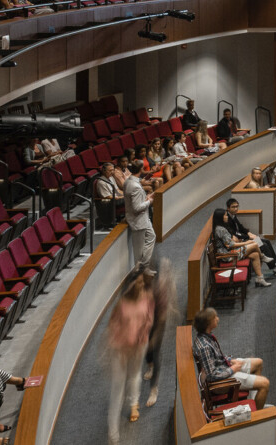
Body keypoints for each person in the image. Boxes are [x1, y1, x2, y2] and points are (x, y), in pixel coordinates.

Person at [106, 274, 154, 444]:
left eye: (142, 282)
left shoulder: (147, 298)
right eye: (138, 282)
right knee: (117, 387)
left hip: (139, 345)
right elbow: (113, 326)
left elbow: (149, 320)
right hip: (121, 349)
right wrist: (124, 344)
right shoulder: (121, 304)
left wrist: (141, 336)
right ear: (131, 284)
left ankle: (134, 403)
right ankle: (113, 432)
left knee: (134, 376)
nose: (141, 284)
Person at [192, 308, 270, 408]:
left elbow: (217, 358)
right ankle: (258, 415)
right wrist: (232, 369)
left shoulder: (206, 336)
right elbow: (212, 376)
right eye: (214, 318)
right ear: (208, 323)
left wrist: (231, 361)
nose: (218, 319)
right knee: (265, 384)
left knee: (258, 362)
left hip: (223, 368)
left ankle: (257, 401)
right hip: (222, 381)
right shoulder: (204, 347)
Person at [141, 259, 175, 409]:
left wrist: (155, 338)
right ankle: (150, 366)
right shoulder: (139, 287)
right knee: (146, 352)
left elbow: (161, 317)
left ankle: (154, 389)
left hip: (156, 319)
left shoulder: (159, 290)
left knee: (154, 351)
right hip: (142, 321)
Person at [213, 208, 272, 286]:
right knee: (255, 244)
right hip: (228, 255)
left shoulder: (225, 224)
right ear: (220, 217)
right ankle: (264, 258)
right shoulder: (220, 229)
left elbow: (237, 234)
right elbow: (229, 244)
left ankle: (260, 278)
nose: (227, 217)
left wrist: (247, 237)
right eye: (225, 215)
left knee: (255, 253)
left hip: (234, 247)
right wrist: (246, 242)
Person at [123, 162, 156, 269]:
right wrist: (149, 201)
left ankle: (144, 265)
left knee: (152, 236)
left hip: (143, 219)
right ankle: (141, 270)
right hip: (137, 220)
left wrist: (146, 198)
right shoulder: (134, 186)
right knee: (138, 250)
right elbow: (136, 208)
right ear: (141, 169)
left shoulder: (129, 181)